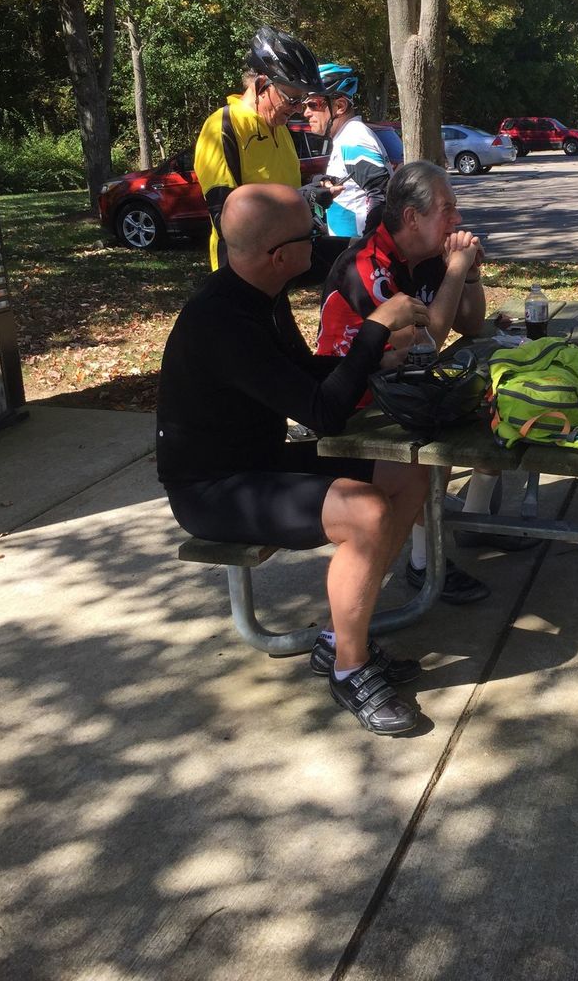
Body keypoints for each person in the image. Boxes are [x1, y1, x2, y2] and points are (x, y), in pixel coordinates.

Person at [156, 183, 432, 736]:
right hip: (212, 489)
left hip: (259, 459)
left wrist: (375, 357)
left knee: (409, 473)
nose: (321, 239)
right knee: (366, 512)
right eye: (310, 233)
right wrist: (376, 327)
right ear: (279, 256)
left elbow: (301, 376)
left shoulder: (260, 292)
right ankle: (351, 670)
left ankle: (338, 637)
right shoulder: (221, 321)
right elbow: (324, 413)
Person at [317, 160, 537, 605]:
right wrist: (455, 269)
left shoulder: (427, 256)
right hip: (354, 403)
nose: (458, 217)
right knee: (439, 428)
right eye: (447, 208)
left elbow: (470, 324)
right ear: (412, 217)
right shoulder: (368, 266)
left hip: (396, 384)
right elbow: (426, 343)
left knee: (495, 396)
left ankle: (475, 519)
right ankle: (423, 563)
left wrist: (469, 274)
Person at [194, 26, 323, 270]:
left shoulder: (280, 127)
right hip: (241, 273)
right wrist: (299, 200)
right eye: (292, 100)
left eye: (302, 101)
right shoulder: (223, 126)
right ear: (262, 85)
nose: (298, 109)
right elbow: (226, 219)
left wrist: (313, 187)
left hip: (280, 267)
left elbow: (281, 189)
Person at [301, 61, 393, 238]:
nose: (306, 113)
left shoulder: (354, 138)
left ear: (340, 106)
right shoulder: (347, 136)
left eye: (313, 104)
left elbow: (382, 194)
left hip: (357, 249)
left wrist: (368, 245)